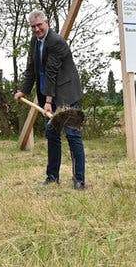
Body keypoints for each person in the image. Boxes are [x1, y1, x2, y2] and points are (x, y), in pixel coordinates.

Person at [14, 10, 86, 190]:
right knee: (52, 134)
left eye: (40, 25)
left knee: (72, 135)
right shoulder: (34, 41)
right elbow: (32, 68)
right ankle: (52, 176)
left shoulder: (56, 41)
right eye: (33, 27)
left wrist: (47, 100)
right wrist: (23, 90)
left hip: (66, 94)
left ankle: (79, 179)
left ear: (46, 23)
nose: (37, 29)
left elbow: (51, 71)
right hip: (49, 94)